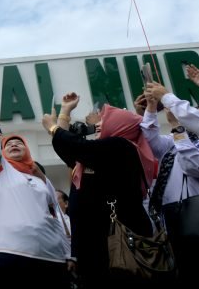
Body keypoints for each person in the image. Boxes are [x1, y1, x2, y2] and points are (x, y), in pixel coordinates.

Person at [46, 92, 159, 287]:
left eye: (104, 121)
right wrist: (65, 111)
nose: (97, 125)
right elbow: (67, 149)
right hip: (94, 245)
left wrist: (53, 126)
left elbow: (74, 145)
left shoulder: (121, 147)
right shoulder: (94, 156)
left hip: (115, 244)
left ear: (120, 126)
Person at [0, 74, 68, 289]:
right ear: (2, 152)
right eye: (9, 144)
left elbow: (57, 217)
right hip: (12, 253)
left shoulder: (42, 181)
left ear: (28, 150)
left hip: (53, 257)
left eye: (19, 143)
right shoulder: (1, 171)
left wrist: (69, 254)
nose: (14, 145)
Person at [142, 83, 199, 285]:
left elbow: (193, 166)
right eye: (194, 116)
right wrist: (150, 107)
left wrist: (177, 129)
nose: (196, 121)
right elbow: (150, 140)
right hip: (171, 217)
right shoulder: (174, 141)